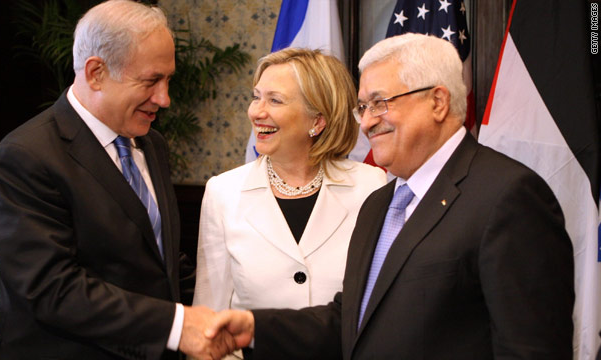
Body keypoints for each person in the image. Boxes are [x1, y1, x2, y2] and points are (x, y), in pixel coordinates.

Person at [205, 33, 575, 359]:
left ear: (438, 102)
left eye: (380, 103)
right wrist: (256, 328)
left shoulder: (508, 197)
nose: (365, 122)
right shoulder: (380, 203)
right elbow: (351, 320)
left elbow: (530, 350)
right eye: (363, 107)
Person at [0, 1, 234, 359]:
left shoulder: (152, 144)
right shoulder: (24, 157)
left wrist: (235, 310)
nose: (164, 99)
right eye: (151, 81)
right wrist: (177, 325)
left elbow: (157, 261)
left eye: (168, 80)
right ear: (96, 72)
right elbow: (53, 291)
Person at [192, 48, 386, 358]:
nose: (256, 111)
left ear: (318, 120)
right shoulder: (223, 192)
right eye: (256, 97)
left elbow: (382, 312)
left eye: (275, 100)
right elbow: (209, 321)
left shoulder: (372, 186)